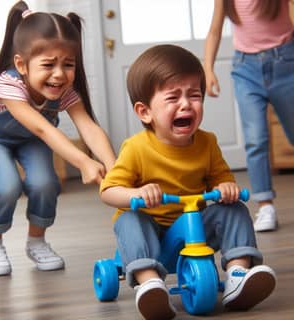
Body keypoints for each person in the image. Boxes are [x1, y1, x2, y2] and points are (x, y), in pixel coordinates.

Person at [100, 44, 276, 320]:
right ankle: (149, 284)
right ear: (145, 112)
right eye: (173, 97)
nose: (186, 104)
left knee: (235, 209)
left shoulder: (207, 143)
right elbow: (108, 191)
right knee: (129, 220)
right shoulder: (136, 148)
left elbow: (221, 179)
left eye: (194, 95)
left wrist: (224, 189)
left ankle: (238, 274)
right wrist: (137, 193)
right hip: (153, 228)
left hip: (195, 224)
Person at [0, 1, 116, 276]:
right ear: (21, 64)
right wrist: (83, 162)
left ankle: (36, 241)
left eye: (68, 64)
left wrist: (114, 167)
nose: (59, 74)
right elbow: (44, 130)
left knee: (45, 183)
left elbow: (88, 126)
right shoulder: (7, 84)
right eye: (49, 64)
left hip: (30, 138)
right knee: (6, 185)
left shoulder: (65, 90)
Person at [204, 0, 294, 232]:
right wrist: (207, 69)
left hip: (286, 63)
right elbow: (215, 30)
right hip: (246, 69)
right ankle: (265, 205)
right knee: (255, 139)